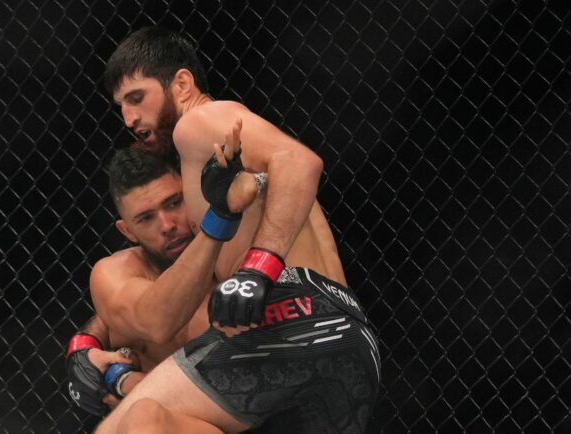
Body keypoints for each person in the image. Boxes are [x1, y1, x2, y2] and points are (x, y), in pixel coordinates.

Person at [94, 26, 381, 433]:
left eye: (136, 98)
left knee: (125, 426)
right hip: (350, 340)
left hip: (286, 321)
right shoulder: (215, 158)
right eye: (120, 106)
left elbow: (299, 162)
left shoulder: (201, 122)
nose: (129, 118)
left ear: (181, 83)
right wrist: (95, 348)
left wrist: (256, 269)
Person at [66, 141, 264, 417]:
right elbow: (156, 320)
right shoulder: (116, 272)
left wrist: (120, 379)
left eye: (174, 202)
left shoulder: (241, 256)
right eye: (146, 218)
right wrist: (85, 345)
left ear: (192, 193)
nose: (167, 225)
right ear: (127, 231)